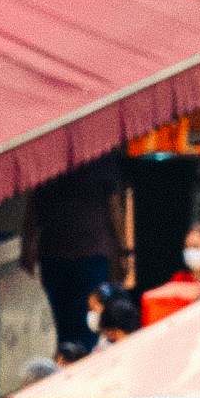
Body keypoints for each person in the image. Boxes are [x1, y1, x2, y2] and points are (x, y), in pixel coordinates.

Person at [30, 151, 125, 358]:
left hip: (64, 252)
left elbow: (34, 206)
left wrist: (28, 249)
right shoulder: (99, 152)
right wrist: (123, 251)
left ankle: (73, 364)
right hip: (79, 252)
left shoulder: (48, 152)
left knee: (71, 323)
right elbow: (114, 205)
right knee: (85, 323)